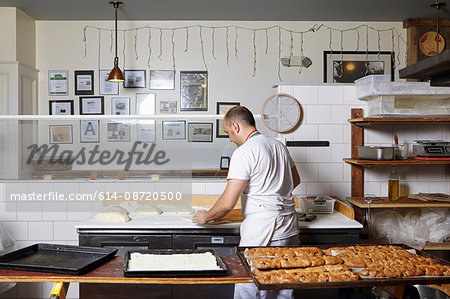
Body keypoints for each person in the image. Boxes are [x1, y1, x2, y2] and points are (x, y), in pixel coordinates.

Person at [193, 106, 301, 299]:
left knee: (249, 287)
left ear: (235, 126)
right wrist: (273, 192)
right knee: (284, 284)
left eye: (227, 132)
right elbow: (296, 180)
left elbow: (227, 203)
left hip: (263, 229)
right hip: (288, 226)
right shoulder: (278, 145)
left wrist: (206, 216)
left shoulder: (245, 152)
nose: (229, 138)